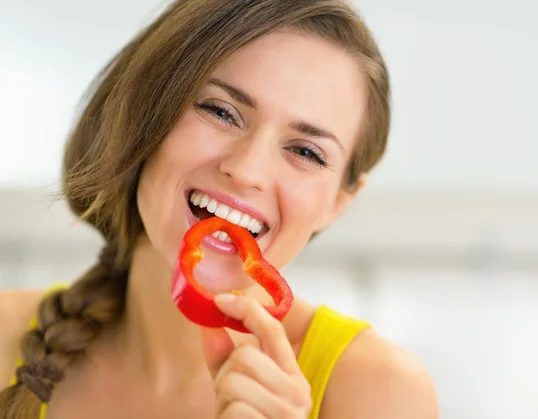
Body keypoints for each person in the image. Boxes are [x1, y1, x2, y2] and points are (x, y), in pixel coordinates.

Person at [0, 0, 438, 418]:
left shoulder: (381, 391)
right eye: (221, 111)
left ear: (338, 203)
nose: (248, 170)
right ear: (142, 113)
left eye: (306, 152)